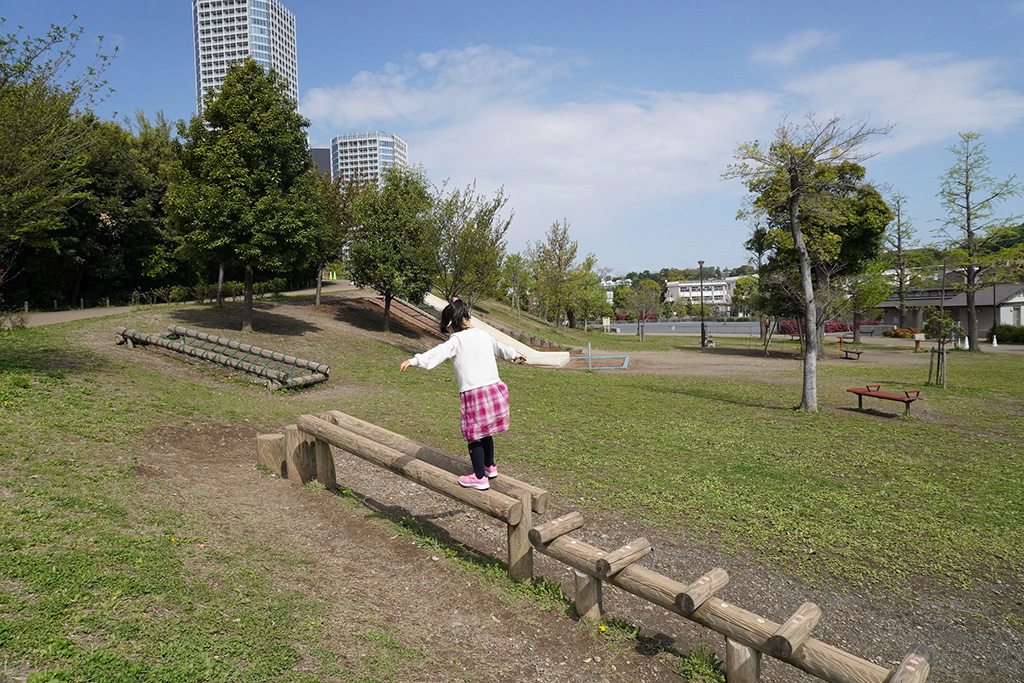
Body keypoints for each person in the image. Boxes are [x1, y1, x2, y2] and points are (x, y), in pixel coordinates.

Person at [399, 298, 526, 490]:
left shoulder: (456, 340)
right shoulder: (483, 334)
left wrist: (415, 360)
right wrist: (515, 354)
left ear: (452, 324)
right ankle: (489, 466)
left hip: (474, 393)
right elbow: (501, 348)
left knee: (474, 434)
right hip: (494, 389)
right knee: (486, 431)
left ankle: (479, 477)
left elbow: (438, 353)